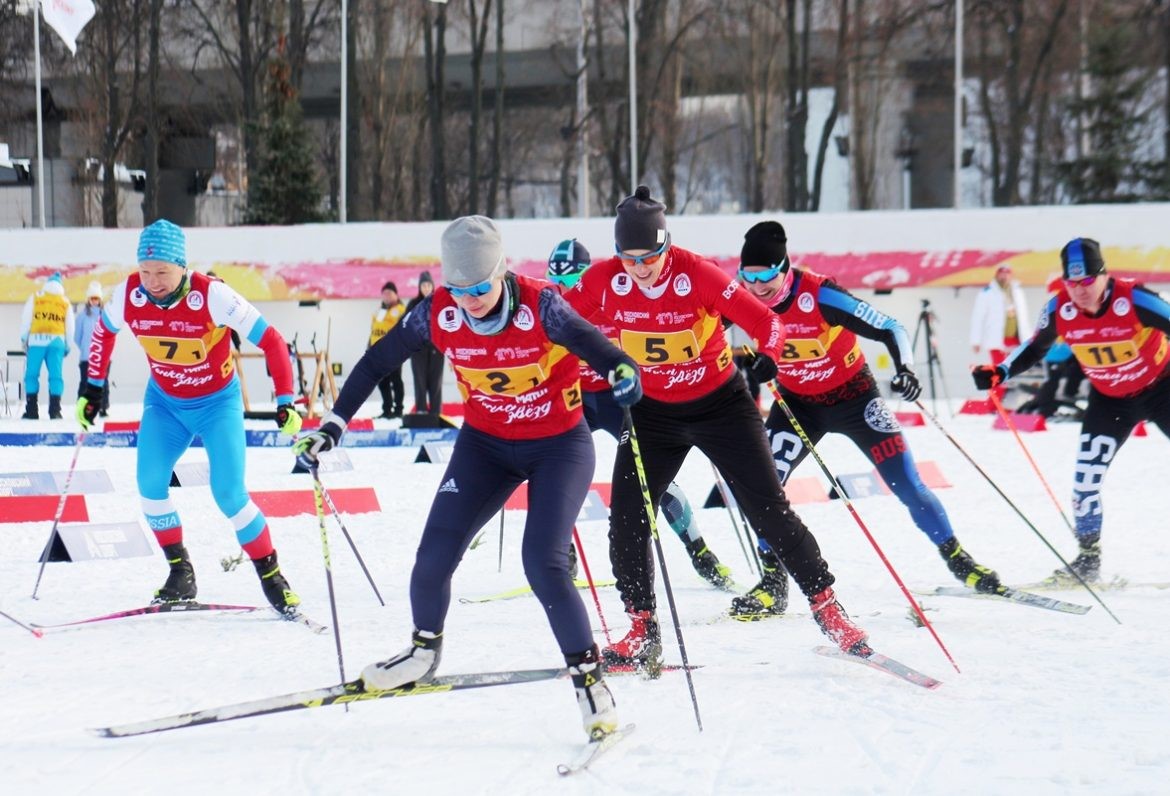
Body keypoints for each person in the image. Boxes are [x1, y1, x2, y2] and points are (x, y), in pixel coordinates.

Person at [293, 216, 639, 740]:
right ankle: (422, 651)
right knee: (432, 556)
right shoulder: (435, 313)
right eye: (458, 290)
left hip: (558, 446)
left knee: (543, 563)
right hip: (485, 446)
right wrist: (333, 426)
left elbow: (596, 346)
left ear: (501, 272)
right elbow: (373, 364)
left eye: (480, 288)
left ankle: (590, 682)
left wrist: (621, 371)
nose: (470, 300)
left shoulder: (541, 305)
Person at [565, 186, 873, 666]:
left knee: (769, 510)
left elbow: (768, 323)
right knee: (627, 516)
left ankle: (828, 607)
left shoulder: (698, 274)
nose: (640, 268)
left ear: (667, 245)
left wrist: (769, 357)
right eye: (629, 257)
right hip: (652, 413)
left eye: (651, 256)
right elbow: (556, 322)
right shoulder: (606, 280)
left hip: (720, 406)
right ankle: (642, 628)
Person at [734, 220, 1006, 614]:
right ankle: (773, 581)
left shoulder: (820, 294)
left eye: (766, 277)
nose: (757, 288)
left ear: (785, 267)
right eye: (748, 277)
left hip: (855, 399)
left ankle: (959, 558)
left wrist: (905, 370)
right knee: (764, 486)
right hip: (798, 406)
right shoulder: (743, 295)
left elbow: (890, 327)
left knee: (907, 484)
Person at [76, 219, 306, 614]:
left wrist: (286, 398)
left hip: (218, 405)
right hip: (165, 405)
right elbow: (103, 332)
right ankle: (180, 571)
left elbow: (272, 341)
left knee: (230, 494)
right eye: (146, 271)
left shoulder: (212, 295)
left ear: (182, 266)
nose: (153, 281)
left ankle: (272, 576)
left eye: (162, 272)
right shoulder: (128, 293)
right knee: (149, 485)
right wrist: (92, 387)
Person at [973, 237, 1170, 585]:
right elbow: (1034, 348)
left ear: (1104, 276)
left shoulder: (1135, 299)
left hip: (1162, 390)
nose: (1079, 290)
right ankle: (1088, 560)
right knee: (1085, 482)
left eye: (1087, 281)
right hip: (1111, 401)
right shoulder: (1058, 309)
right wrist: (999, 371)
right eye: (1072, 282)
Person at [546, 238, 732, 590]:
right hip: (578, 400)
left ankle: (700, 551)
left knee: (656, 482)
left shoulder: (611, 294)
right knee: (554, 472)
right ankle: (563, 554)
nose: (565, 291)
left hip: (620, 400)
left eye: (572, 282)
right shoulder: (555, 304)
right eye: (558, 282)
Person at [970, 263, 1032, 399]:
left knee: (1017, 370)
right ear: (997, 274)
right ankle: (996, 401)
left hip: (1017, 338)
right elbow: (978, 316)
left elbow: (1023, 316)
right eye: (1001, 273)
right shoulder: (988, 292)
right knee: (998, 371)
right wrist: (976, 340)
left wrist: (1030, 338)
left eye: (1007, 273)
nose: (1004, 276)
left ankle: (1014, 401)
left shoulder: (1017, 291)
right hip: (997, 339)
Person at [19, 272, 74, 420]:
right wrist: (68, 345)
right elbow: (70, 326)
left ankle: (31, 411)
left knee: (31, 375)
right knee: (56, 376)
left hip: (36, 341)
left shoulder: (36, 297)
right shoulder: (64, 301)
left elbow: (26, 318)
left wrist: (24, 338)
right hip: (57, 342)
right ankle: (55, 411)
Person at [406, 271, 444, 414]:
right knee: (420, 381)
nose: (426, 288)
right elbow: (406, 324)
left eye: (428, 285)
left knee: (436, 382)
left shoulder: (439, 302)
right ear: (419, 287)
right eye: (423, 285)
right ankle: (421, 409)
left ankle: (435, 411)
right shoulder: (413, 304)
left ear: (433, 286)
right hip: (418, 350)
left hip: (436, 348)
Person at [370, 281, 407, 418]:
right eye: (384, 293)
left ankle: (398, 410)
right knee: (383, 381)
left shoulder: (401, 309)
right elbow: (373, 329)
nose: (386, 296)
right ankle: (387, 409)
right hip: (379, 351)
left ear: (396, 295)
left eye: (389, 293)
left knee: (396, 380)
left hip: (395, 350)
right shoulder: (379, 310)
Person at [73, 281, 109, 417]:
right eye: (92, 298)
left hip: (103, 356)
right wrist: (84, 348)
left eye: (97, 298)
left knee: (103, 382)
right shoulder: (82, 317)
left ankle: (102, 408)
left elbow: (110, 334)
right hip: (86, 356)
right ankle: (81, 407)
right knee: (85, 383)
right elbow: (77, 336)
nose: (94, 301)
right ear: (88, 299)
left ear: (100, 300)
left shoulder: (105, 316)